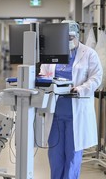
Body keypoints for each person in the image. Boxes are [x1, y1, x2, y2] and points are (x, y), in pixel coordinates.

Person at [40, 20, 103, 179]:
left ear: (77, 35)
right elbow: (43, 73)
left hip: (76, 114)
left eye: (71, 37)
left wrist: (81, 89)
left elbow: (96, 77)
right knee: (55, 155)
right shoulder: (52, 53)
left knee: (72, 155)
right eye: (64, 37)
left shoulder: (89, 53)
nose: (68, 40)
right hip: (55, 114)